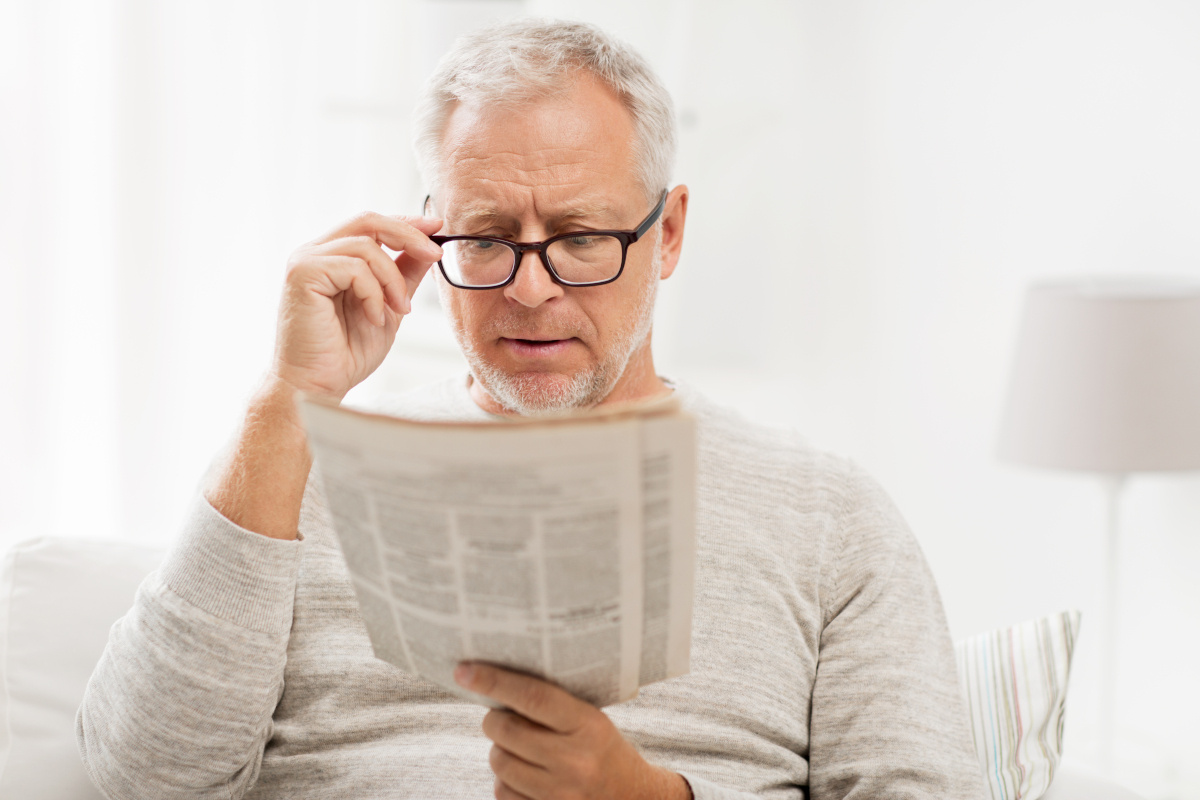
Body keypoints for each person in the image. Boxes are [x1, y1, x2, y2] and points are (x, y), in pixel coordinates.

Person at [77, 19, 986, 800]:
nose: (533, 288)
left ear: (666, 234)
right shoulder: (289, 467)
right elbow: (142, 777)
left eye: (583, 238)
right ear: (428, 233)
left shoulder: (827, 514)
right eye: (488, 237)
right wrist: (288, 401)